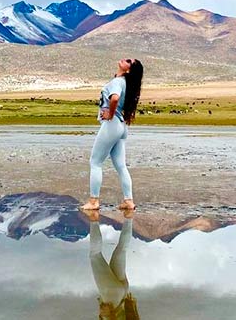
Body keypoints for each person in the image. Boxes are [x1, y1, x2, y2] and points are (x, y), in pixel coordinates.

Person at [81, 58, 144, 211]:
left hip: (112, 124)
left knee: (95, 162)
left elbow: (114, 98)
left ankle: (93, 201)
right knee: (121, 166)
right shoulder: (127, 84)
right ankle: (128, 201)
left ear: (128, 69)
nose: (124, 59)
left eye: (128, 61)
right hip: (121, 126)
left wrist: (109, 113)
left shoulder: (118, 81)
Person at [88, 210, 140, 320]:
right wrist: (105, 315)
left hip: (124, 295)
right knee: (95, 255)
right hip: (112, 299)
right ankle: (93, 217)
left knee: (122, 249)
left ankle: (129, 216)